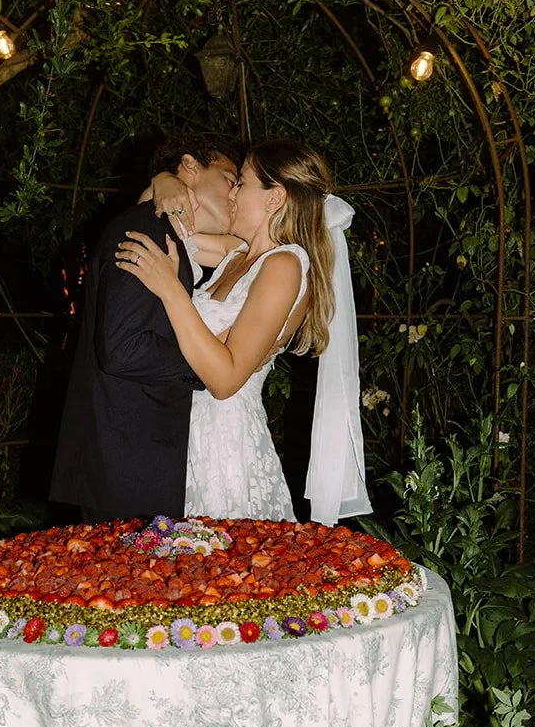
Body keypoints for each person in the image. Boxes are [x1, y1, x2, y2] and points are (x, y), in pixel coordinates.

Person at [115, 141, 371, 525]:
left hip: (224, 449)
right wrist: (163, 180)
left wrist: (170, 289)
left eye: (242, 184)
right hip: (182, 435)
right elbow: (160, 228)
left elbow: (225, 378)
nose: (231, 193)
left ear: (274, 199)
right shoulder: (236, 255)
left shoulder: (285, 266)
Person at [49, 134, 239, 521]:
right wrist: (207, 364)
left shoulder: (168, 233)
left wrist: (159, 182)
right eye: (230, 180)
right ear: (189, 167)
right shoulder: (147, 229)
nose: (235, 195)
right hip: (124, 462)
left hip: (132, 459)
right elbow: (124, 348)